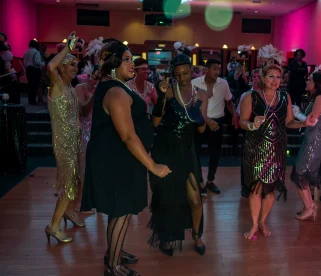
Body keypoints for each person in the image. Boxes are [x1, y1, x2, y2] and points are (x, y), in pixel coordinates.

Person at [80, 41, 170, 276]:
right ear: (114, 63)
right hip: (116, 160)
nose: (133, 64)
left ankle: (115, 252)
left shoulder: (118, 85)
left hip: (121, 158)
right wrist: (153, 166)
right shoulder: (116, 91)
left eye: (132, 59)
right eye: (127, 59)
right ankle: (113, 267)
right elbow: (129, 136)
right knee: (121, 209)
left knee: (123, 209)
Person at [240, 64, 315, 239]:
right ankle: (253, 225)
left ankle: (262, 222)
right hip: (255, 148)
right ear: (262, 78)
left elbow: (289, 122)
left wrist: (304, 123)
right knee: (256, 189)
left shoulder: (284, 97)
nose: (275, 80)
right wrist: (252, 124)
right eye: (271, 76)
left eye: (278, 77)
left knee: (271, 190)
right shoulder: (251, 97)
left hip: (277, 148)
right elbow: (243, 121)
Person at [148, 54, 208, 256]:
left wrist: (199, 118)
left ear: (191, 71)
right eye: (177, 74)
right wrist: (162, 97)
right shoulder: (169, 91)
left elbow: (201, 130)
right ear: (173, 75)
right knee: (167, 197)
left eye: (185, 72)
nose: (182, 77)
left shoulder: (201, 94)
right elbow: (155, 123)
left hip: (187, 150)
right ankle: (165, 237)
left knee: (195, 199)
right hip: (166, 149)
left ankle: (197, 235)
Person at [45, 32, 84, 244]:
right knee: (69, 186)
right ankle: (53, 226)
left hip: (73, 143)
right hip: (63, 145)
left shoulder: (70, 89)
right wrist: (67, 49)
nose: (75, 68)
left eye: (77, 65)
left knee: (74, 184)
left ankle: (67, 213)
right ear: (62, 67)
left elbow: (78, 114)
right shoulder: (57, 85)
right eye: (72, 64)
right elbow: (50, 67)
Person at [192, 59, 236, 194]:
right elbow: (191, 105)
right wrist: (206, 119)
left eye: (219, 69)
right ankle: (199, 182)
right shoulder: (195, 83)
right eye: (215, 69)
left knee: (215, 153)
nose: (218, 71)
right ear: (207, 69)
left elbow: (228, 102)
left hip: (217, 122)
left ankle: (210, 181)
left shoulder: (223, 83)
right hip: (199, 121)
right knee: (195, 153)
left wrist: (234, 114)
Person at [291, 72, 321, 221]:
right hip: (310, 141)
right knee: (300, 175)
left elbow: (312, 120)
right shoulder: (317, 98)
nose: (307, 81)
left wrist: (298, 114)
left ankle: (309, 207)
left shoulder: (320, 98)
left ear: (317, 84)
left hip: (313, 143)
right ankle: (310, 206)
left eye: (310, 80)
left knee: (299, 175)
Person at [75, 65, 100, 213]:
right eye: (93, 76)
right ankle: (85, 201)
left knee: (98, 166)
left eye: (98, 78)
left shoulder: (104, 89)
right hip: (84, 130)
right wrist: (93, 94)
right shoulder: (80, 87)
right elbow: (83, 111)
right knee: (84, 166)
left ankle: (97, 197)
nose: (94, 80)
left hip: (99, 131)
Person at [24, 39, 45, 105]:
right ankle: (33, 101)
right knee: (35, 86)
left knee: (30, 85)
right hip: (34, 70)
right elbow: (37, 62)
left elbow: (25, 62)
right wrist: (43, 64)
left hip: (28, 69)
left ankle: (30, 100)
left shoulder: (26, 52)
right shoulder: (36, 52)